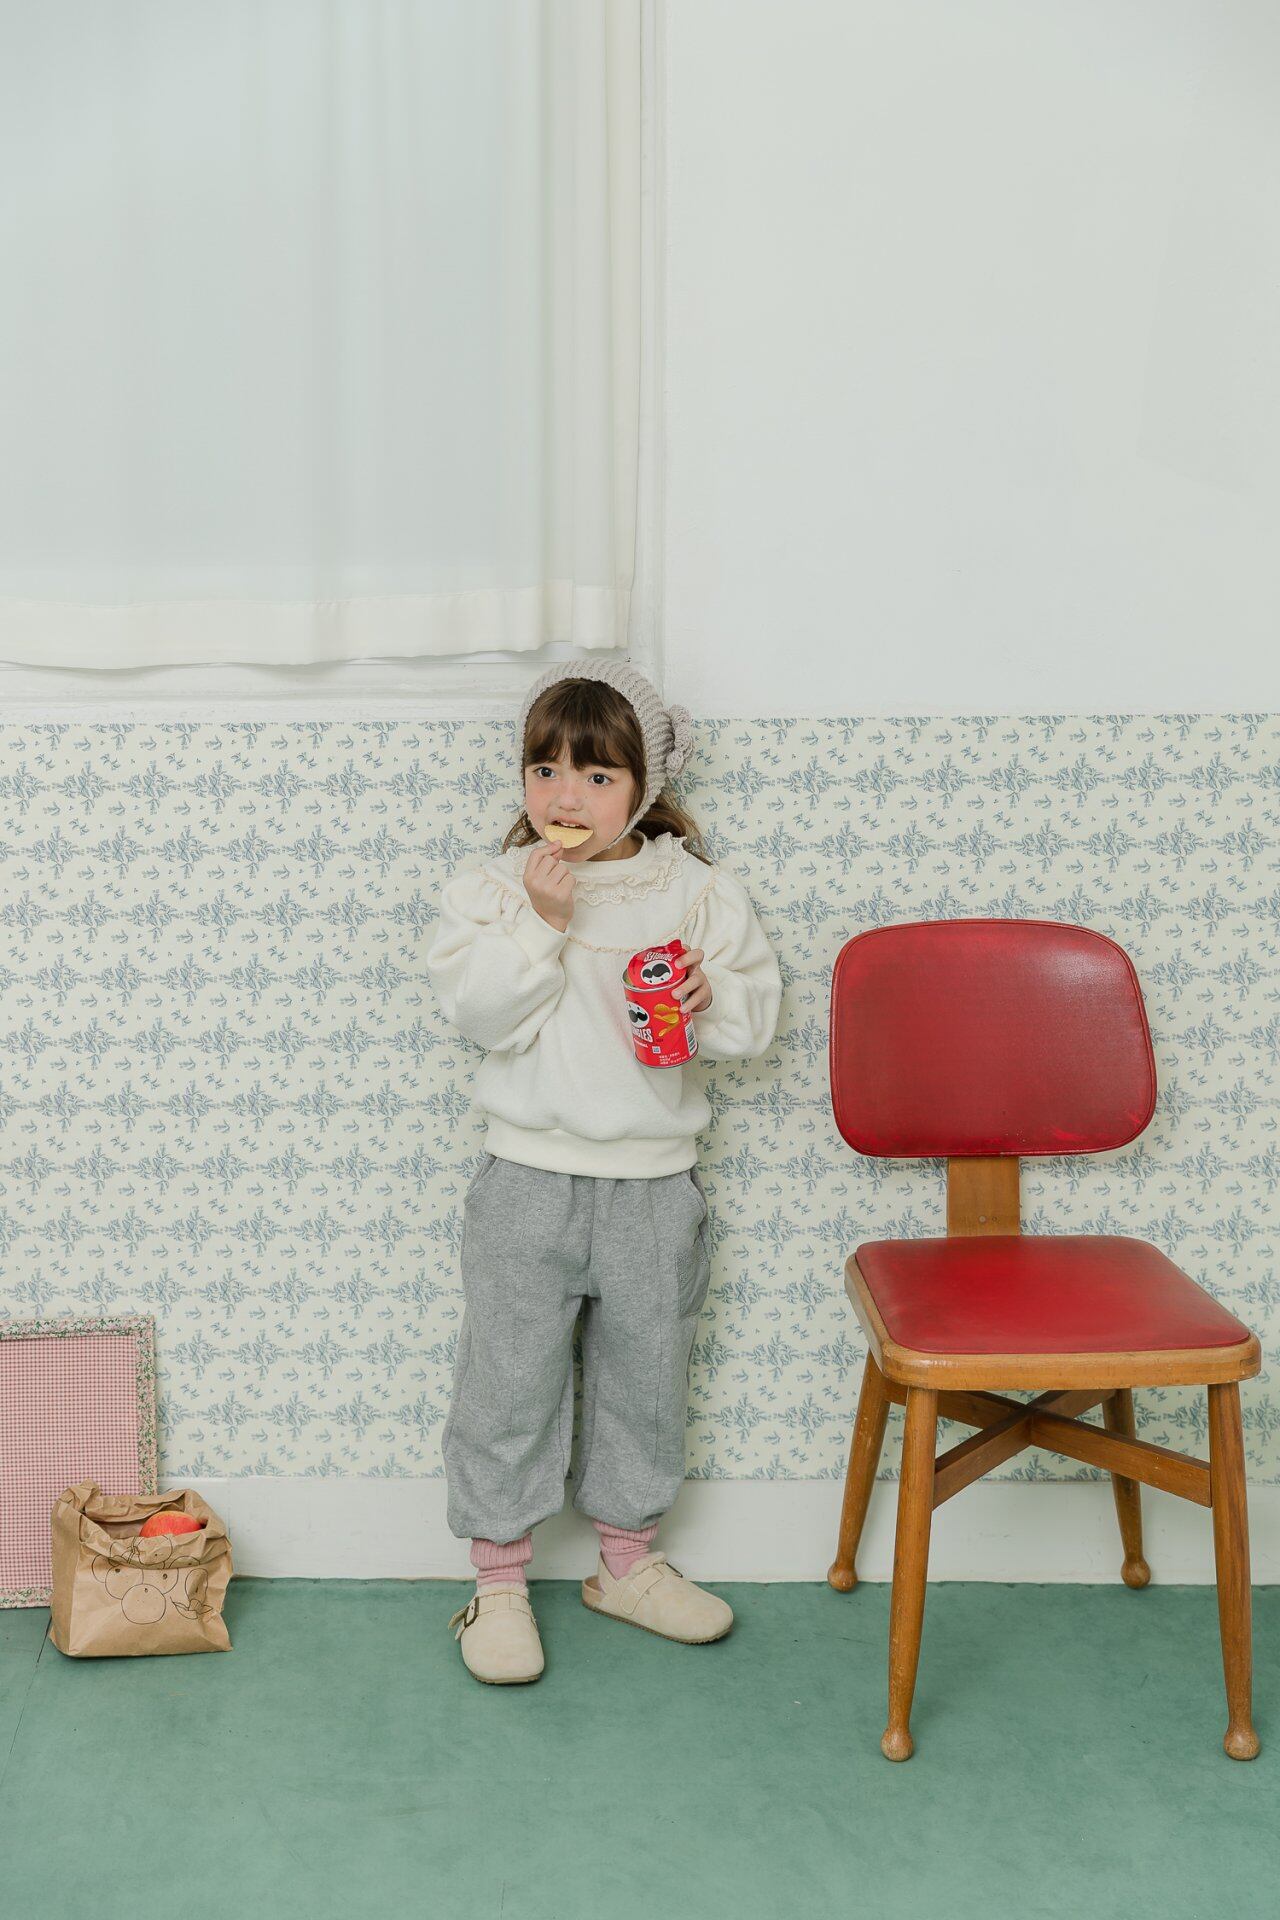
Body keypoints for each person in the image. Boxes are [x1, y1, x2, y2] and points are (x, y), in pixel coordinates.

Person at [425, 660, 782, 1683]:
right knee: (506, 1379)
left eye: (595, 776)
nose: (565, 798)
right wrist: (542, 926)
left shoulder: (693, 891)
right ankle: (498, 1581)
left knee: (646, 1375)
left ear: (642, 784)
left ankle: (626, 1563)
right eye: (544, 770)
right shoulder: (494, 889)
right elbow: (478, 1017)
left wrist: (710, 1001)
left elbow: (754, 1023)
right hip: (524, 1179)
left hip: (654, 1185)